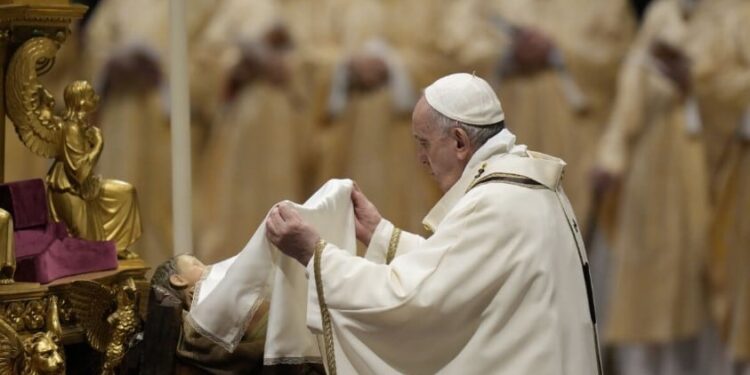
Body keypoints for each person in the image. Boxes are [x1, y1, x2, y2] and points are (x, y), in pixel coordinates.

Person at [265, 73, 600, 374]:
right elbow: (461, 269)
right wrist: (382, 235)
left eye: (424, 143)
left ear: (458, 141)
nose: (421, 159)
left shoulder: (497, 202)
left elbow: (411, 300)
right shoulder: (522, 182)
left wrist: (314, 254)